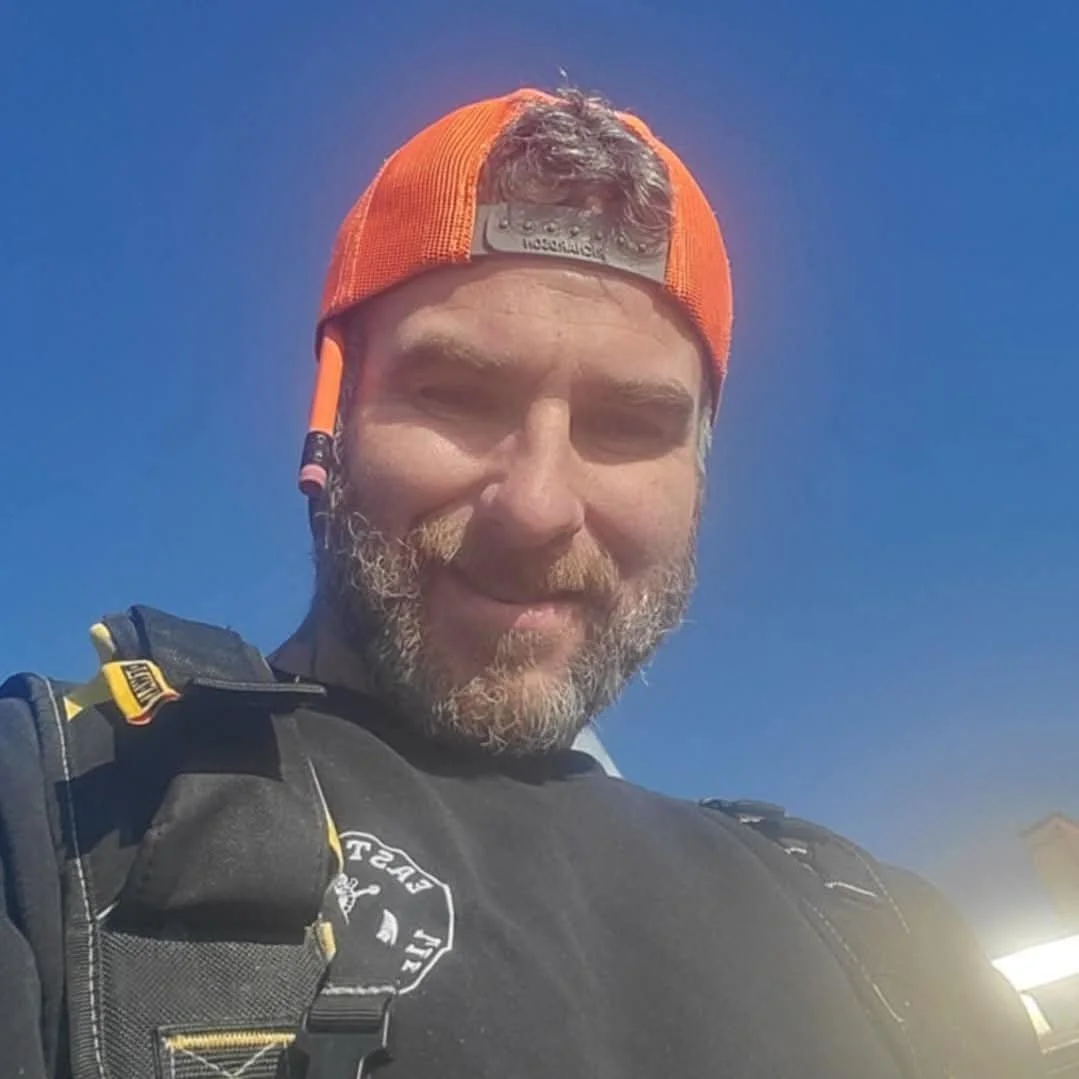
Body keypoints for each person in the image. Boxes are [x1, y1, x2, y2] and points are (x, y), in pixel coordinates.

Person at [0, 87, 1043, 1079]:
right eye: (456, 394)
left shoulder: (880, 931)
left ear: (698, 474)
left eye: (629, 423)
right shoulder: (57, 822)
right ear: (330, 425)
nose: (537, 505)